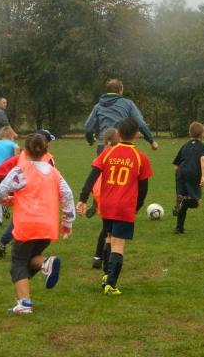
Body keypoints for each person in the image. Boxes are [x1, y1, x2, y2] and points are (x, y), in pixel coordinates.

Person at [0, 133, 75, 314]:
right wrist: (67, 223)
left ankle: (25, 303)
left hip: (27, 225)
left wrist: (6, 200)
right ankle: (45, 264)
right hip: (48, 227)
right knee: (29, 259)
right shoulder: (54, 173)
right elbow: (67, 195)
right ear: (46, 150)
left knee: (18, 262)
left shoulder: (21, 171)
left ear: (26, 151)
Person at [77, 117, 152, 296]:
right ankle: (110, 284)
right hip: (124, 207)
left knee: (109, 237)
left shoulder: (108, 152)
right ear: (137, 134)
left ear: (118, 133)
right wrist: (137, 206)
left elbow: (92, 176)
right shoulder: (140, 157)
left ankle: (105, 275)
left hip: (107, 204)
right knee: (119, 244)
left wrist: (82, 198)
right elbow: (143, 189)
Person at [0, 130, 56, 258]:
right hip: (37, 196)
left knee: (20, 220)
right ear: (45, 144)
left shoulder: (22, 156)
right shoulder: (48, 159)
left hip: (22, 194)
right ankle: (11, 244)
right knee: (28, 222)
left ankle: (6, 244)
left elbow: (6, 166)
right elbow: (52, 176)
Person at [85, 79, 159, 153]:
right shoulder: (128, 104)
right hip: (122, 146)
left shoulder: (98, 106)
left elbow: (88, 128)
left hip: (103, 146)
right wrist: (151, 141)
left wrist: (90, 140)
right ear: (120, 90)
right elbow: (141, 124)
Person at [86, 128, 120, 269]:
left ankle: (98, 257)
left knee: (106, 229)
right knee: (112, 231)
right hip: (109, 193)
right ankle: (107, 260)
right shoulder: (116, 154)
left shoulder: (102, 151)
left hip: (98, 190)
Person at [172, 122, 204, 234]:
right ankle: (183, 202)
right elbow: (203, 159)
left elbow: (175, 165)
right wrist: (203, 176)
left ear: (189, 133)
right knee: (196, 202)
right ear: (202, 134)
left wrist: (179, 175)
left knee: (182, 199)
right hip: (193, 174)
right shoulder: (203, 147)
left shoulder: (185, 146)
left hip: (181, 173)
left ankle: (179, 228)